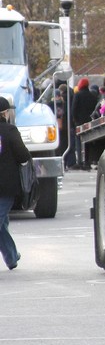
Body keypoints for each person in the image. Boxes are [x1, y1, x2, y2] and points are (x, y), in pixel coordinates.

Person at [0, 97, 32, 270]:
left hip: (5, 186)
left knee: (1, 222)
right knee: (1, 222)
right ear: (5, 113)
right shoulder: (10, 130)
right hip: (6, 186)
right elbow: (23, 156)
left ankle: (11, 256)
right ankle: (11, 256)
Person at [72, 78, 100, 170]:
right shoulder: (92, 96)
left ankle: (80, 161)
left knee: (78, 142)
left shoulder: (78, 95)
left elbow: (74, 109)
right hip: (89, 121)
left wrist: (75, 120)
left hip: (79, 122)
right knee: (88, 141)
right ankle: (87, 161)